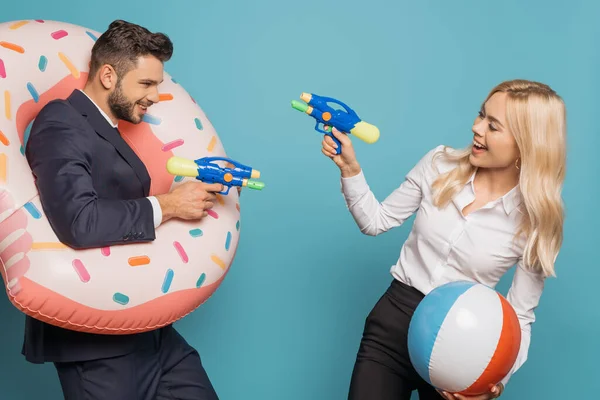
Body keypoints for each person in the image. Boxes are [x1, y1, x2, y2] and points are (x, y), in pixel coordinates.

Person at [320, 79, 566, 400]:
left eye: (493, 126)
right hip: (392, 324)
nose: (476, 127)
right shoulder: (439, 163)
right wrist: (349, 168)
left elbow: (521, 316)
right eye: (481, 116)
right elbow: (375, 221)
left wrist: (495, 380)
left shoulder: (536, 221)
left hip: (462, 350)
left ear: (526, 143)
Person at [24, 20, 223, 400]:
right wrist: (169, 205)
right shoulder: (61, 121)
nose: (154, 96)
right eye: (146, 84)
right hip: (95, 340)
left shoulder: (110, 131)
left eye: (158, 85)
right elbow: (79, 222)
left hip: (148, 327)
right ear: (108, 75)